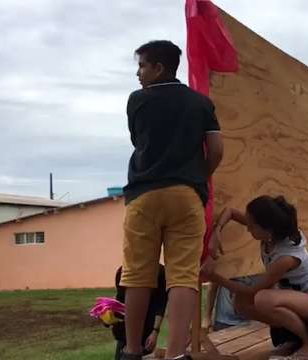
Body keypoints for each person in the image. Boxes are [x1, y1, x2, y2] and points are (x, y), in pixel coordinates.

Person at [120, 40, 224, 360]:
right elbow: (217, 150)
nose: (138, 73)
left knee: (138, 275)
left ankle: (133, 350)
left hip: (144, 195)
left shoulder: (137, 101)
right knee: (183, 277)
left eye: (142, 66)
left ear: (158, 68)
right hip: (186, 196)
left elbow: (140, 142)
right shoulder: (201, 104)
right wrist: (196, 178)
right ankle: (177, 354)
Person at [202, 196, 308, 360]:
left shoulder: (286, 257)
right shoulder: (271, 231)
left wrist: (215, 278)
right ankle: (296, 337)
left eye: (252, 226)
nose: (248, 228)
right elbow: (230, 211)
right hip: (299, 298)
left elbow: (253, 290)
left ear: (268, 230)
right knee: (240, 303)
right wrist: (217, 231)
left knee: (262, 298)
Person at [112, 266, 167, 359]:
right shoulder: (122, 272)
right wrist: (108, 318)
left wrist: (155, 331)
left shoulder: (160, 273)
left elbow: (161, 304)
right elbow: (120, 301)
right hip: (124, 331)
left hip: (146, 330)